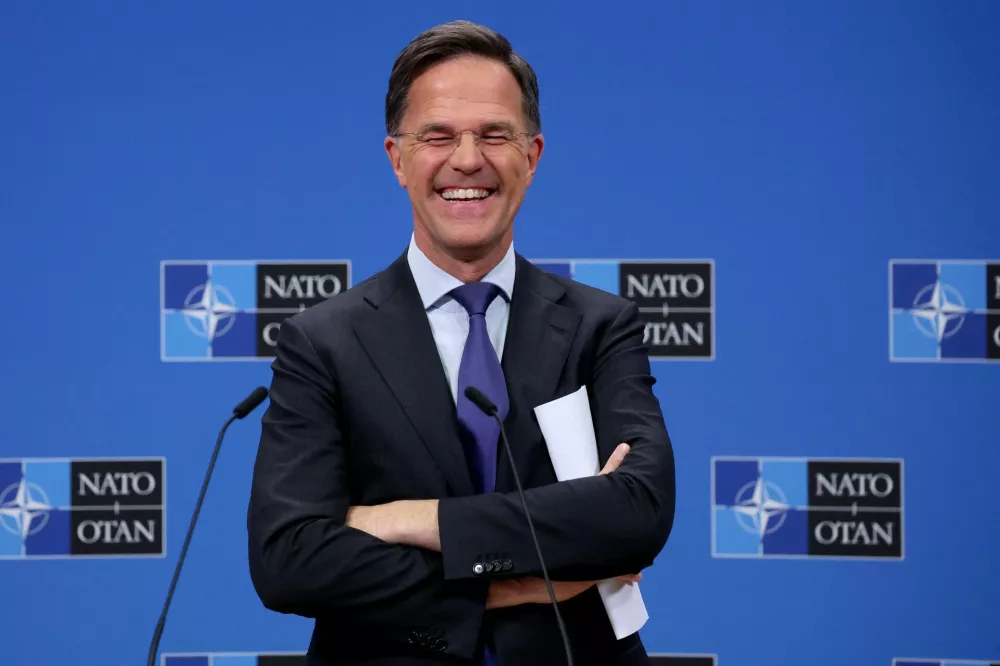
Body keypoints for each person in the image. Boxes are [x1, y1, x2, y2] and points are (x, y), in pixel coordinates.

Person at [247, 19, 676, 666]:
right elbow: (290, 559)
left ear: (531, 157)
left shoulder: (600, 326)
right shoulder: (321, 342)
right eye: (438, 136)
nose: (468, 160)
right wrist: (515, 586)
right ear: (397, 158)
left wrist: (409, 521)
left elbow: (637, 513)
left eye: (494, 135)